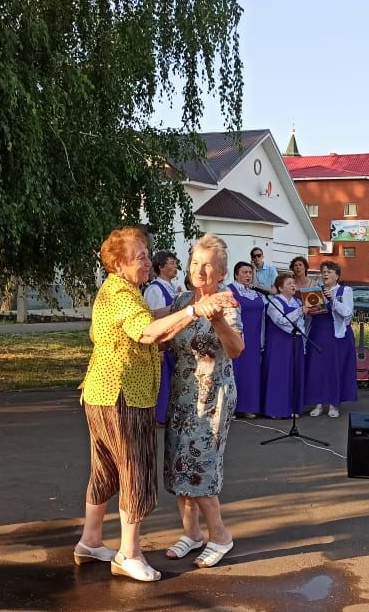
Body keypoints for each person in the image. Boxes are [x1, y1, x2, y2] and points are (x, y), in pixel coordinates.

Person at [76, 227, 236, 582]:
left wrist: (195, 310)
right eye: (141, 257)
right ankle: (128, 553)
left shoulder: (123, 291)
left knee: (105, 470)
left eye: (148, 254)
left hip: (106, 394)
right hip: (123, 396)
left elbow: (157, 326)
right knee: (137, 470)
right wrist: (195, 311)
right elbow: (149, 332)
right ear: (118, 264)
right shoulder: (123, 294)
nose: (150, 261)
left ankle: (90, 540)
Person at [162, 234, 244, 569]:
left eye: (208, 265)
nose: (201, 270)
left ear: (221, 272)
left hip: (213, 397)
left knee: (200, 468)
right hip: (182, 394)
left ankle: (220, 536)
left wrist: (216, 318)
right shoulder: (182, 300)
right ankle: (191, 533)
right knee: (178, 464)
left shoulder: (228, 302)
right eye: (196, 263)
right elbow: (163, 339)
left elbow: (237, 350)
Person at [304, 261, 357, 418]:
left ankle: (334, 404)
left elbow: (347, 313)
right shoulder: (315, 290)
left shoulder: (345, 290)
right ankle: (318, 403)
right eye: (323, 271)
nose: (325, 274)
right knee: (317, 369)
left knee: (335, 368)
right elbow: (310, 313)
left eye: (329, 271)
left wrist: (333, 300)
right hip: (318, 333)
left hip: (337, 335)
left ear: (337, 275)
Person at [261, 273, 308, 419]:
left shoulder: (297, 302)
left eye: (294, 283)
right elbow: (281, 321)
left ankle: (291, 407)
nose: (293, 285)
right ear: (280, 288)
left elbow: (300, 324)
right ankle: (276, 409)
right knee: (279, 375)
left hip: (295, 341)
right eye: (289, 283)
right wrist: (300, 312)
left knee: (293, 374)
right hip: (279, 344)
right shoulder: (274, 303)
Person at [144, 250, 180, 424]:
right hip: (162, 343)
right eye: (171, 263)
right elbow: (154, 316)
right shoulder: (154, 289)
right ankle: (160, 416)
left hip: (173, 341)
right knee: (163, 381)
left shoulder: (171, 288)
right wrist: (180, 307)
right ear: (161, 267)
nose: (175, 266)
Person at [229, 260, 265, 417]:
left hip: (255, 337)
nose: (248, 275)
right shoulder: (229, 290)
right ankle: (232, 408)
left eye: (250, 273)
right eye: (245, 272)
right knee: (236, 371)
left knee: (251, 372)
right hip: (238, 336)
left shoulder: (255, 293)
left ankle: (248, 407)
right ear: (236, 274)